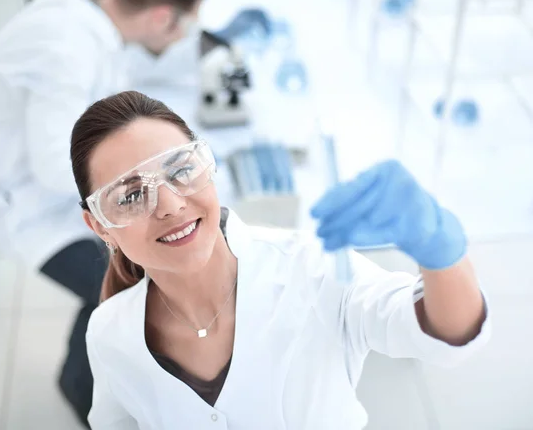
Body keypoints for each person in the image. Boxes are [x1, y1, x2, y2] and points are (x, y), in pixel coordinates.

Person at [70, 90, 491, 429]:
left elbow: (442, 335)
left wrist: (439, 249)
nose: (171, 205)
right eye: (129, 196)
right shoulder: (109, 333)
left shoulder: (313, 268)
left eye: (181, 170)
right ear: (100, 226)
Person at [0, 0, 207, 426]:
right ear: (161, 18)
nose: (181, 38)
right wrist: (144, 184)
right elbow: (53, 166)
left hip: (50, 186)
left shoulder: (90, 9)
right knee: (132, 278)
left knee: (154, 251)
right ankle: (81, 387)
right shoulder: (68, 48)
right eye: (185, 26)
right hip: (22, 202)